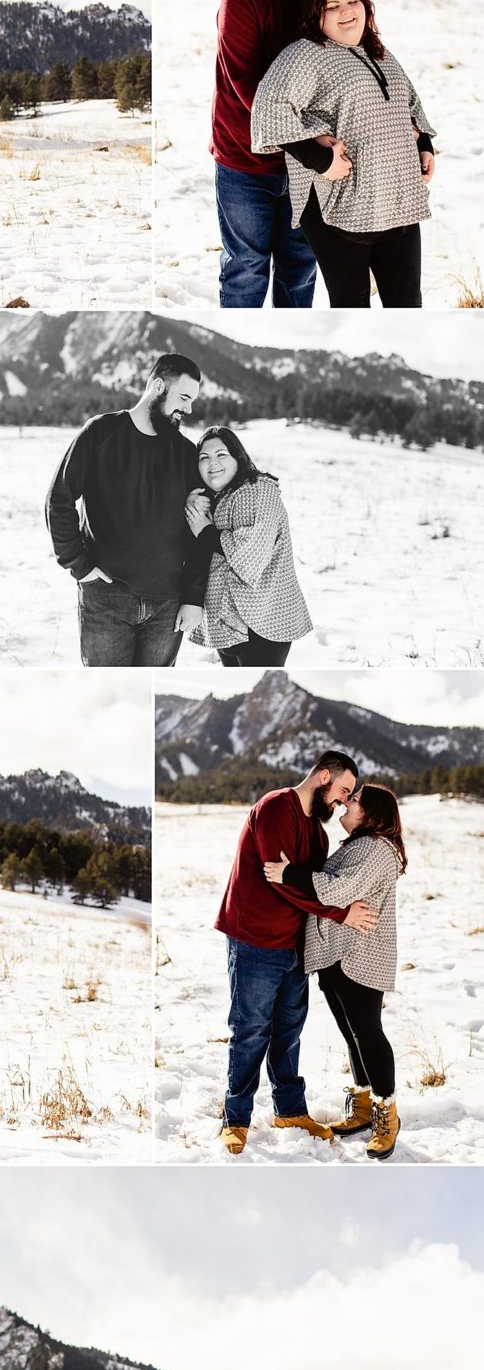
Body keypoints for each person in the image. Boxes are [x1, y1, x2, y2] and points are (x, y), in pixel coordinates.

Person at [214, 752, 380, 1156]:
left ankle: (289, 1111)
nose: (343, 800)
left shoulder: (318, 835)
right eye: (342, 790)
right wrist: (341, 913)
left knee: (288, 1031)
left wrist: (314, 890)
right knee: (251, 1030)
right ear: (323, 775)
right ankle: (235, 1120)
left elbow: (313, 886)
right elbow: (281, 883)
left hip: (294, 945)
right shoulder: (275, 808)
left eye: (347, 797)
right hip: (254, 939)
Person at [251, 0, 436, 308]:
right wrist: (320, 161)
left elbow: (409, 101)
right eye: (331, 5)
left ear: (365, 6)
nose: (346, 10)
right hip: (338, 203)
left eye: (352, 1)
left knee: (407, 302)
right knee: (351, 305)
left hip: (397, 199)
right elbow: (269, 109)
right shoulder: (305, 54)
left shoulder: (378, 52)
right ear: (315, 15)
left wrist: (424, 144)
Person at [211, 0, 349, 306]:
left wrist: (415, 134)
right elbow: (246, 86)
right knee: (246, 269)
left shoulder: (319, 6)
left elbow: (350, 66)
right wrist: (311, 141)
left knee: (300, 270)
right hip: (245, 162)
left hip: (305, 169)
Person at [263, 782, 406, 1161]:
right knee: (352, 1034)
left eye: (355, 799)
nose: (346, 801)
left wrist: (288, 874)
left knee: (368, 1034)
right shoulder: (357, 845)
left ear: (371, 814)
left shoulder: (378, 849)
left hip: (361, 956)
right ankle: (361, 1104)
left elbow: (337, 890)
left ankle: (386, 1113)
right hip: (333, 955)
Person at [45, 353, 210, 666]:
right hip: (107, 598)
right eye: (184, 397)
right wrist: (79, 566)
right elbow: (59, 499)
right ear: (158, 386)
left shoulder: (186, 454)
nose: (188, 409)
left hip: (168, 604)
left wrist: (193, 597)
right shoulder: (100, 433)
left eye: (193, 401)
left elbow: (202, 532)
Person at [186, 426, 311, 666]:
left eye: (221, 454)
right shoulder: (215, 496)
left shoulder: (257, 491)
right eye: (204, 457)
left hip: (262, 620)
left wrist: (205, 530)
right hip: (224, 622)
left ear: (238, 457)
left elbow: (249, 554)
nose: (213, 463)